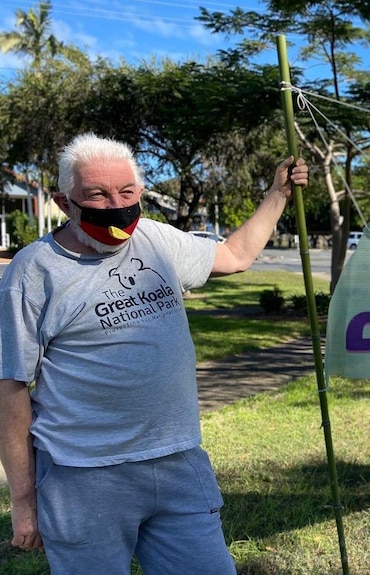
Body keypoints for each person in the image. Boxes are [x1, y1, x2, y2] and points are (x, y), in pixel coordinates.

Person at [0, 133, 309, 573]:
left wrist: (278, 193)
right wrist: (23, 500)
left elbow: (235, 255)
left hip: (178, 461)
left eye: (126, 192)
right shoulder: (33, 271)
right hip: (83, 475)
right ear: (64, 202)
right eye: (97, 195)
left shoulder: (154, 238)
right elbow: (9, 387)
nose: (116, 206)